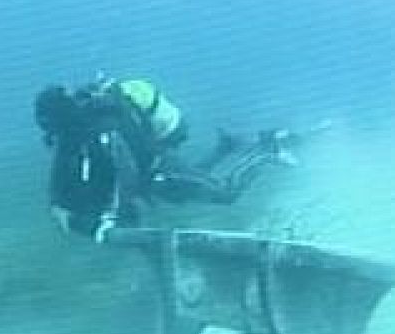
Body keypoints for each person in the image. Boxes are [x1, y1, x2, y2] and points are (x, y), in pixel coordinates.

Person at [35, 77, 294, 240]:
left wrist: (108, 217)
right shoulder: (77, 132)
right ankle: (226, 146)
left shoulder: (102, 130)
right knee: (194, 182)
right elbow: (65, 168)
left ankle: (267, 152)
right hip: (154, 175)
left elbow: (123, 171)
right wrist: (59, 204)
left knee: (225, 193)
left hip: (158, 169)